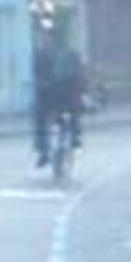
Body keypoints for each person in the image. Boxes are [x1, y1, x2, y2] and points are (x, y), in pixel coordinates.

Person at [33, 33, 87, 166]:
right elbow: (80, 74)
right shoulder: (71, 53)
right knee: (75, 111)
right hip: (68, 96)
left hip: (49, 96)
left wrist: (42, 87)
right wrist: (81, 90)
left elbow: (37, 75)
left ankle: (43, 150)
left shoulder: (42, 55)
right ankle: (75, 138)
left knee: (40, 118)